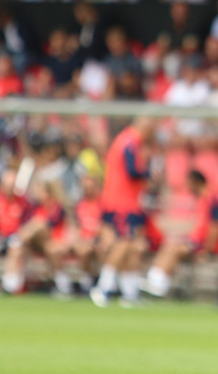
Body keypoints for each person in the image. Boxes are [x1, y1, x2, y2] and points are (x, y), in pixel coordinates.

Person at [89, 117, 158, 308]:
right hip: (122, 202)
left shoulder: (125, 140)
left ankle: (130, 293)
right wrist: (149, 174)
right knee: (124, 243)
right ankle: (103, 287)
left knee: (132, 245)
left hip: (125, 201)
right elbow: (132, 170)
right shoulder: (130, 142)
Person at [141, 169, 218, 298]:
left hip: (203, 246)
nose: (188, 188)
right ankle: (155, 280)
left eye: (190, 184)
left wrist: (207, 250)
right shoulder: (201, 199)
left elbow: (215, 227)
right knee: (169, 246)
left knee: (175, 249)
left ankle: (158, 283)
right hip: (196, 242)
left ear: (196, 182)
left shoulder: (212, 200)